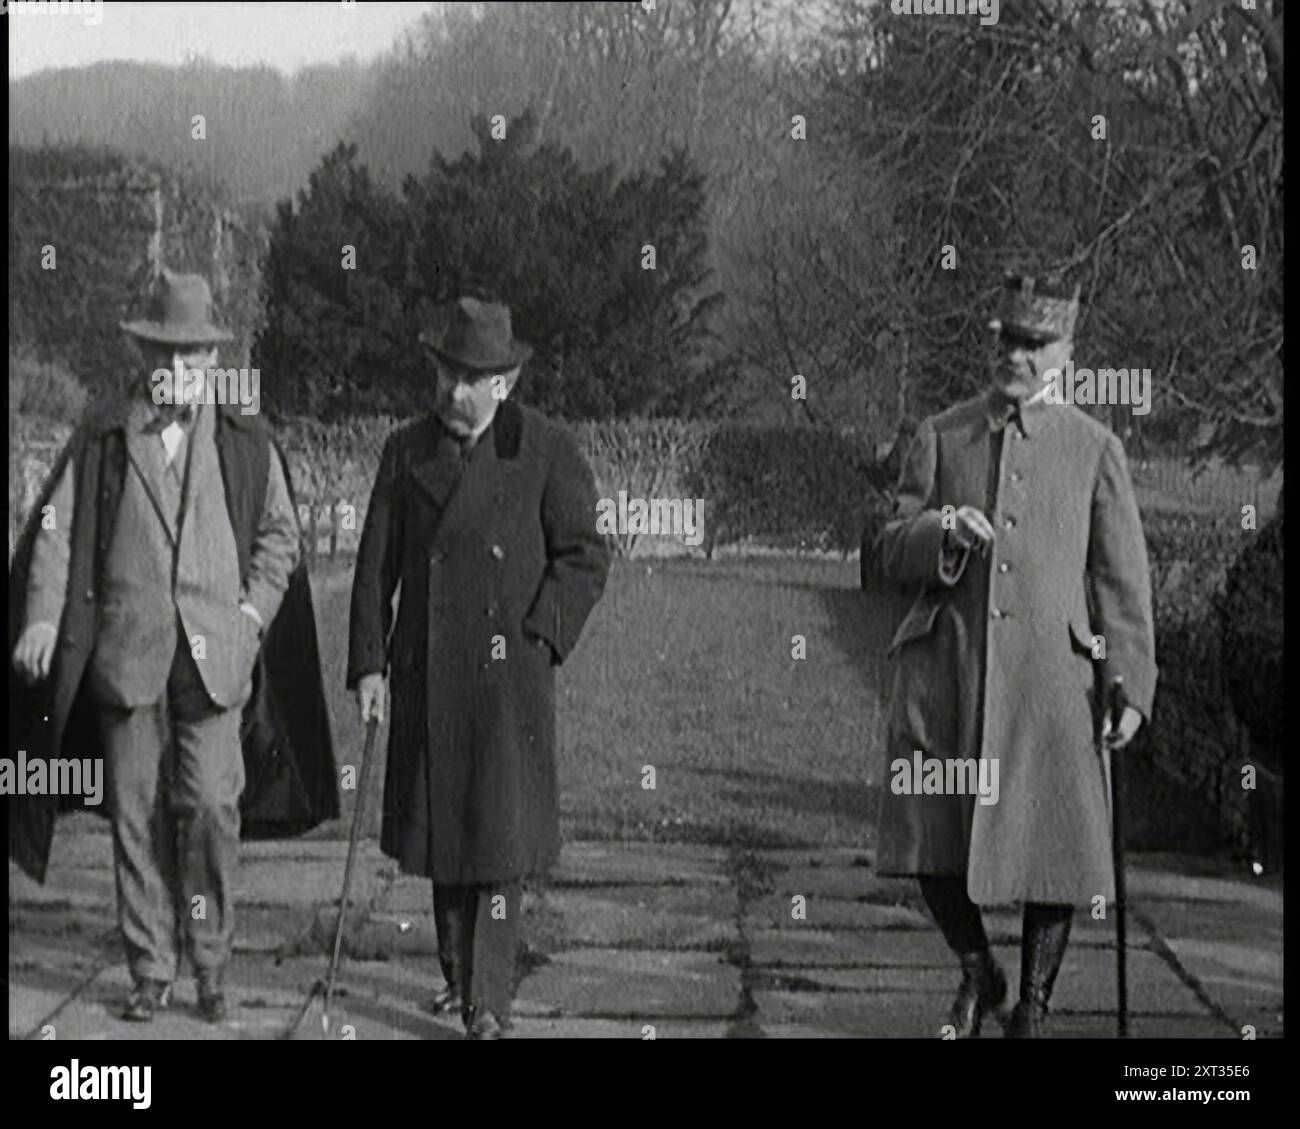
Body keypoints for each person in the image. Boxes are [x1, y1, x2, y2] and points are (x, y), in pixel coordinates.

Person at [9, 268, 337, 1024]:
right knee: (136, 816)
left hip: (216, 663)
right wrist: (41, 619)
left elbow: (279, 537)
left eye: (192, 357)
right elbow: (54, 532)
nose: (177, 370)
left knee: (213, 809)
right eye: (164, 354)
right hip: (127, 660)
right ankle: (150, 968)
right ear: (142, 355)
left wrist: (253, 615)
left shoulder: (247, 440)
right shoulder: (102, 436)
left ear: (214, 363)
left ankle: (212, 962)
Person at [874, 270, 1157, 1037]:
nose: (1018, 356)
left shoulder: (1095, 449)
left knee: (1053, 848)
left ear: (1067, 352)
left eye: (1036, 343)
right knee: (927, 840)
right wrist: (941, 531)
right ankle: (977, 969)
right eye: (1007, 338)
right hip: (949, 673)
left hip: (1051, 683)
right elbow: (888, 544)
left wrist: (1126, 682)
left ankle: (1031, 1009)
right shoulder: (944, 432)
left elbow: (1120, 579)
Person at [348, 295, 610, 1039]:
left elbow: (586, 553)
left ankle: (489, 1001)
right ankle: (457, 975)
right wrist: (369, 664)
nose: (457, 394)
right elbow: (375, 568)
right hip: (428, 672)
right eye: (449, 375)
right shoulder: (406, 451)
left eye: (476, 379)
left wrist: (541, 635)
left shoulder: (546, 449)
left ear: (509, 381)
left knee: (498, 840)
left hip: (507, 679)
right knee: (442, 837)